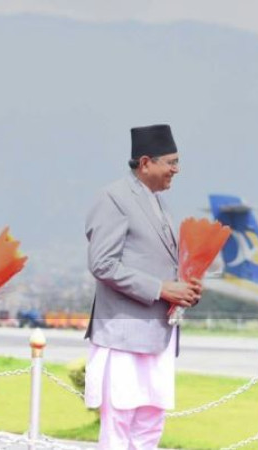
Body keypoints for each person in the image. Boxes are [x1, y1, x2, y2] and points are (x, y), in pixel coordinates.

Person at [84, 124, 202, 449]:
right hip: (124, 335)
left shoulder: (159, 204)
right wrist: (161, 289)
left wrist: (185, 289)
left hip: (158, 337)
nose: (177, 169)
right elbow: (102, 264)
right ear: (146, 162)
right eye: (171, 162)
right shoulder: (113, 199)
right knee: (119, 427)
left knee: (151, 427)